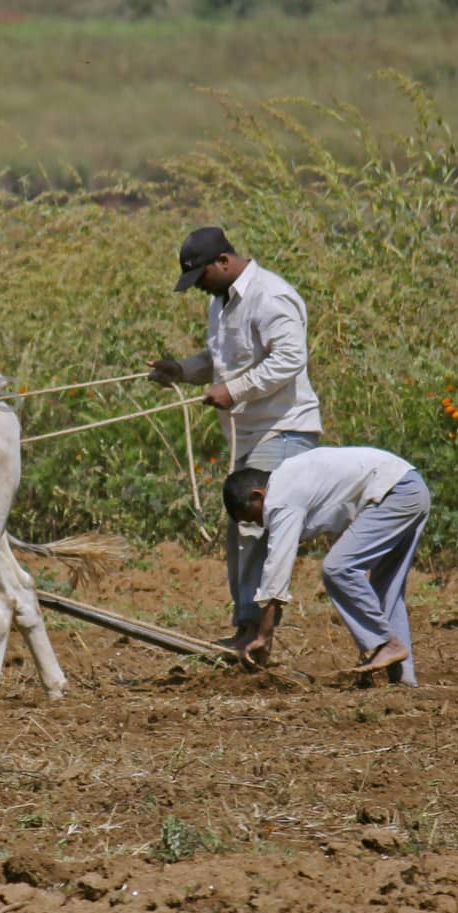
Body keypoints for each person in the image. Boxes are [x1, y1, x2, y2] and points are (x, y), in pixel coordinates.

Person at [148, 226, 323, 652]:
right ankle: (247, 627)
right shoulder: (221, 303)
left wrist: (235, 390)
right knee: (241, 527)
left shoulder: (270, 296)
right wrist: (183, 371)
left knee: (255, 528)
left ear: (222, 263)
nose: (199, 289)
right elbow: (220, 361)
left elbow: (290, 358)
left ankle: (256, 634)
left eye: (201, 278)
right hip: (249, 434)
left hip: (283, 428)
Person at [222, 448, 430, 686]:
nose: (259, 524)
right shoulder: (293, 476)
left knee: (337, 568)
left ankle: (386, 644)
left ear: (258, 495)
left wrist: (264, 635)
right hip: (411, 486)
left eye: (252, 517)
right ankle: (403, 678)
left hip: (395, 493)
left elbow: (276, 571)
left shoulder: (280, 496)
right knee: (386, 588)